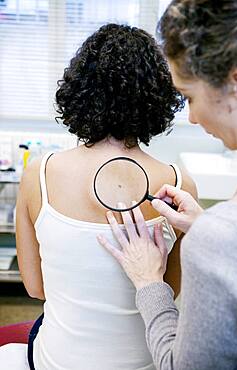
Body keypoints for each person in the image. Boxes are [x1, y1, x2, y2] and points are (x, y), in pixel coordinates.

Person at [0, 24, 196, 370]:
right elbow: (170, 292)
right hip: (151, 360)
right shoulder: (180, 186)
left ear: (80, 90)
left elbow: (35, 288)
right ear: (157, 97)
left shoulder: (38, 175)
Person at [98, 2, 237, 370]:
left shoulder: (221, 237)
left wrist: (149, 281)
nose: (192, 118)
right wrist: (206, 226)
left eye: (190, 97)